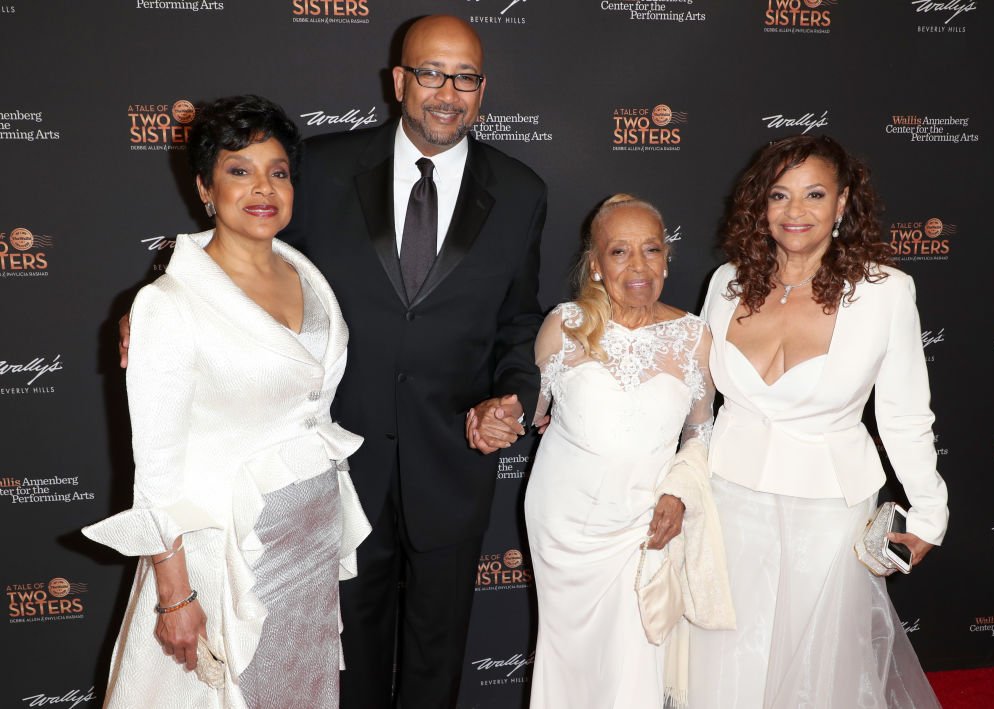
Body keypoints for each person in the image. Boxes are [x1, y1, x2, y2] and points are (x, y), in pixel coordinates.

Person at [263, 15, 546, 708]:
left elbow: (517, 321)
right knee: (346, 664)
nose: (447, 92)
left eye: (466, 77)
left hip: (452, 461)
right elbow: (249, 259)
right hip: (338, 466)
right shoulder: (323, 168)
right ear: (398, 81)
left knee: (436, 662)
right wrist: (166, 307)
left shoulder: (521, 191)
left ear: (483, 88)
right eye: (430, 73)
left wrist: (509, 394)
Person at [87, 95, 370, 708]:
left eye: (278, 171)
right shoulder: (169, 304)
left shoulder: (308, 277)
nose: (262, 187)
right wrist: (175, 595)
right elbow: (156, 469)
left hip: (307, 546)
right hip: (221, 559)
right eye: (239, 171)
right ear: (204, 188)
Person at [689, 135, 949, 707]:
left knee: (820, 671)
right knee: (728, 656)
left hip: (831, 510)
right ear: (760, 205)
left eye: (813, 194)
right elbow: (697, 405)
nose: (795, 212)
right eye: (779, 195)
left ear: (843, 201)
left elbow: (905, 413)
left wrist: (930, 513)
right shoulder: (726, 283)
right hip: (729, 496)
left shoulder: (885, 292)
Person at [525, 195, 733, 709]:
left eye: (652, 250)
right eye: (620, 252)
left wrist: (679, 493)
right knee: (568, 654)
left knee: (635, 658)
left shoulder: (694, 337)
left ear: (667, 258)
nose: (638, 266)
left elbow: (700, 433)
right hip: (564, 523)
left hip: (644, 522)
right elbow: (530, 411)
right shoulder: (564, 325)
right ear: (596, 264)